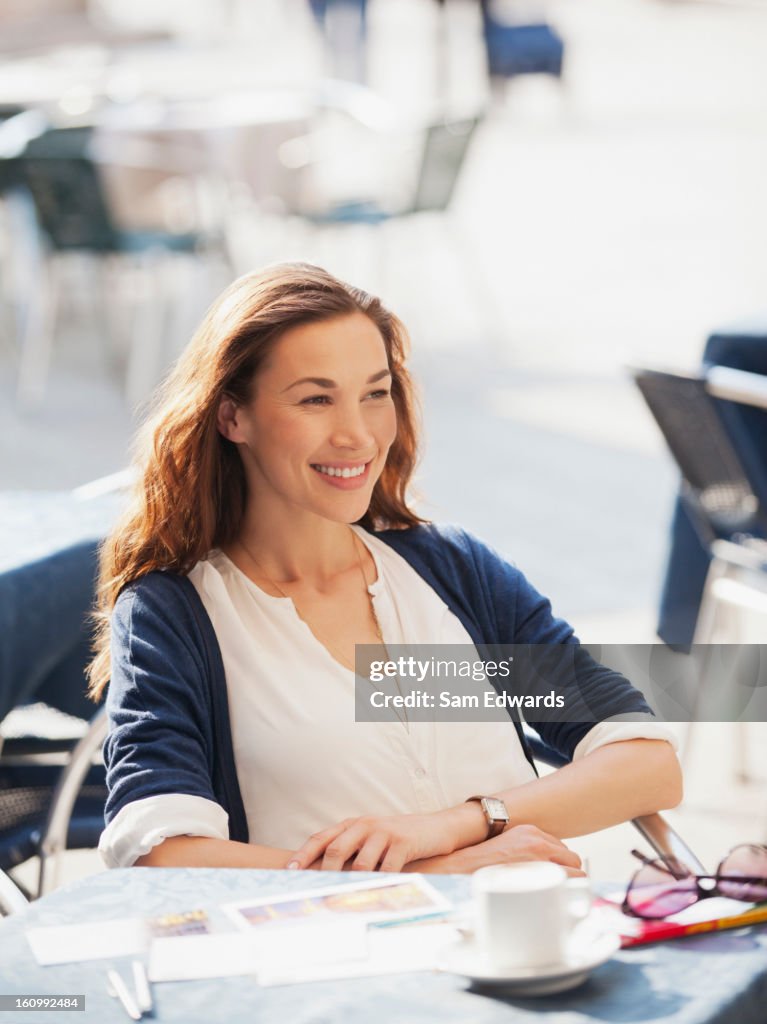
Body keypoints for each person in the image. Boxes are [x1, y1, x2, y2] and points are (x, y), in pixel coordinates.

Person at [90, 263, 682, 875]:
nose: (357, 435)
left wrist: (459, 825)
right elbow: (164, 854)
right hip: (345, 962)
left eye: (376, 394)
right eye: (315, 399)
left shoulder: (449, 570)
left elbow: (646, 762)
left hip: (532, 946)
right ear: (231, 416)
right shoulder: (175, 616)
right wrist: (439, 874)